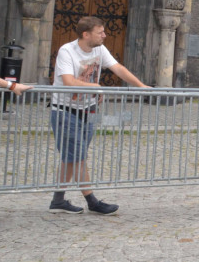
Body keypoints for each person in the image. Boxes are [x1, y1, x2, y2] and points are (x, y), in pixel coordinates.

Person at [49, 16, 148, 215]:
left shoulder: (99, 50)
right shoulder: (67, 51)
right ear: (86, 34)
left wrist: (141, 86)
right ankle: (92, 201)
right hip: (65, 111)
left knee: (72, 157)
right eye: (100, 32)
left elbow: (117, 68)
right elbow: (68, 81)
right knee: (78, 157)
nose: (105, 35)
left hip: (88, 111)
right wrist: (96, 86)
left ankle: (58, 201)